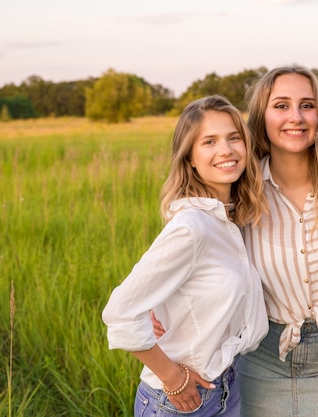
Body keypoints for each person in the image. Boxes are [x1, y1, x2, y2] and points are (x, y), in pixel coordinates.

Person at [102, 95, 269, 417]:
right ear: (190, 157)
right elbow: (121, 312)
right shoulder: (192, 227)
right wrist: (173, 378)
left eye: (234, 138)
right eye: (209, 142)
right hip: (180, 401)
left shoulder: (231, 222)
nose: (226, 150)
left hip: (229, 387)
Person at [237, 65, 318, 417]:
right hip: (261, 358)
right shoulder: (241, 192)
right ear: (262, 115)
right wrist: (164, 303)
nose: (296, 117)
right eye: (281, 105)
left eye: (307, 105)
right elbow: (194, 240)